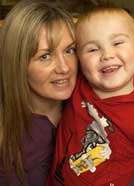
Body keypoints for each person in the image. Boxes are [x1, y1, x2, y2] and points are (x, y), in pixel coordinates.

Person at [50, 5, 134, 186]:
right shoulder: (76, 84)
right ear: (79, 60)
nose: (107, 55)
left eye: (118, 43)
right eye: (92, 49)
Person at [0, 0, 77, 185]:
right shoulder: (6, 137)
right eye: (45, 56)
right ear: (18, 64)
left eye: (70, 50)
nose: (64, 67)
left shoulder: (92, 109)